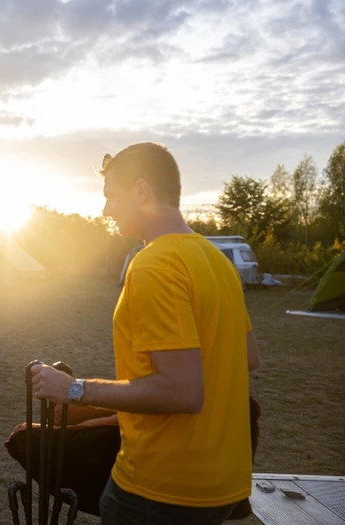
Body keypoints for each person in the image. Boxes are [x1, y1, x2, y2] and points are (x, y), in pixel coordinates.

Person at [32, 142, 261, 525]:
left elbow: (181, 392)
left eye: (110, 196)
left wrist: (74, 389)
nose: (105, 210)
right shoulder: (217, 261)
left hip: (160, 490)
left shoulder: (154, 264)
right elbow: (248, 358)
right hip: (222, 485)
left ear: (141, 190)